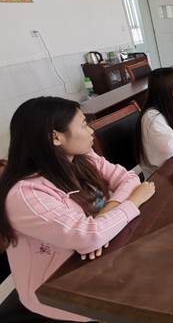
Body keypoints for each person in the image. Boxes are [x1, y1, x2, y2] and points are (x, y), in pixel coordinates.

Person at [0, 97, 155, 322]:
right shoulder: (26, 194)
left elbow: (128, 179)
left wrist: (102, 219)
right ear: (56, 137)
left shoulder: (82, 157)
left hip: (98, 256)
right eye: (83, 125)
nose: (91, 130)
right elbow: (89, 236)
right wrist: (132, 203)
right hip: (56, 291)